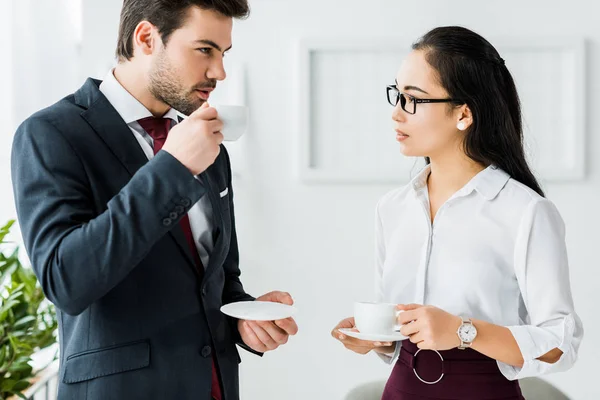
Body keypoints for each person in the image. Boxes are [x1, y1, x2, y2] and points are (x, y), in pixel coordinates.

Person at [11, 1, 297, 399]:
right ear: (146, 38)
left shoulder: (209, 146)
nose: (219, 72)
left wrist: (243, 319)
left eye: (223, 53)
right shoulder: (51, 134)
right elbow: (67, 280)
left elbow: (218, 281)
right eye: (204, 50)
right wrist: (173, 168)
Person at [331, 26, 583, 400]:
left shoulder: (526, 212)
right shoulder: (392, 209)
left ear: (463, 113)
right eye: (396, 96)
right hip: (401, 391)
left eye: (413, 99)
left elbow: (559, 344)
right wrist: (374, 339)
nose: (397, 114)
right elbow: (400, 331)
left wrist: (465, 331)